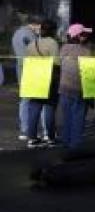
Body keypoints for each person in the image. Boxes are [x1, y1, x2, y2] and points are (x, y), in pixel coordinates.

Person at [25, 19, 60, 147]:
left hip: (33, 78)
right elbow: (57, 63)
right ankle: (50, 137)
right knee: (50, 108)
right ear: (52, 30)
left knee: (34, 108)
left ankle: (32, 138)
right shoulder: (52, 43)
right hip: (49, 78)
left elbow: (27, 62)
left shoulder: (31, 44)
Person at [58, 23, 93, 149]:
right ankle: (75, 145)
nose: (86, 36)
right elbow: (89, 71)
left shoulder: (63, 49)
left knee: (67, 117)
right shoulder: (85, 51)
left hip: (64, 88)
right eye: (83, 34)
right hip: (80, 89)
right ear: (78, 36)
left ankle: (66, 142)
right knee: (78, 117)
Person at [12, 16, 41, 141]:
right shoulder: (29, 34)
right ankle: (30, 129)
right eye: (39, 26)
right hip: (31, 69)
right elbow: (38, 51)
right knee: (32, 100)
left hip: (20, 68)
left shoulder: (17, 33)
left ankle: (24, 129)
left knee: (24, 99)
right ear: (34, 24)